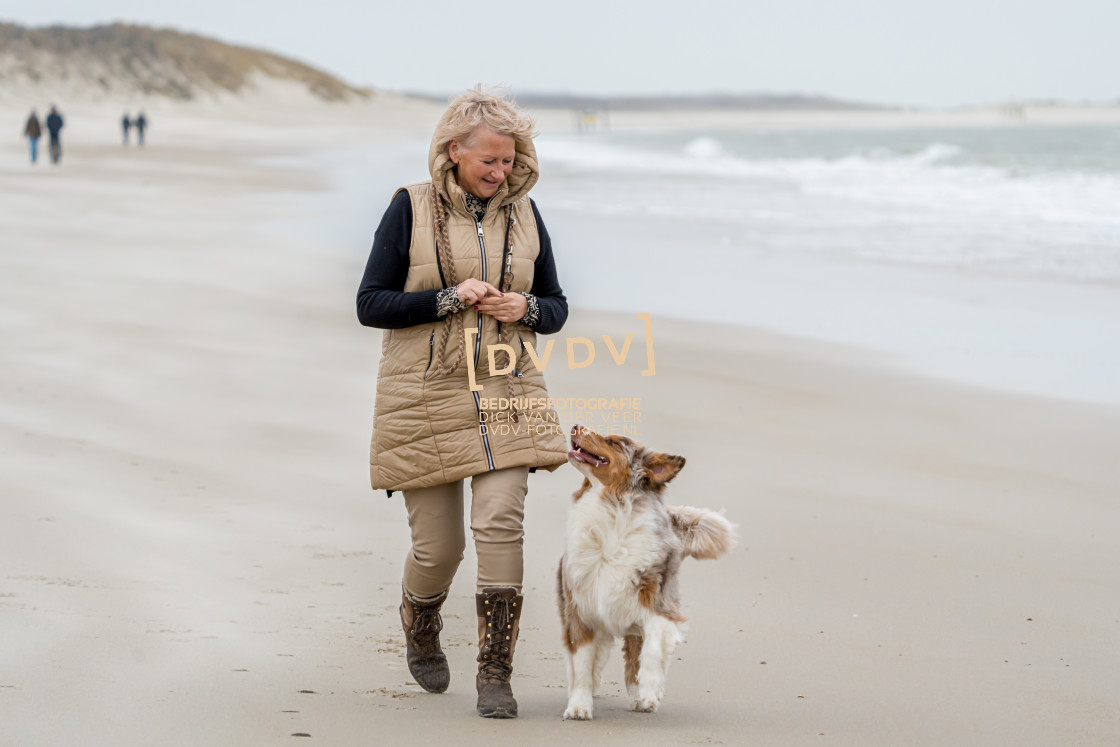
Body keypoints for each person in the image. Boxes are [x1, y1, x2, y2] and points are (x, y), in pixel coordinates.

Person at [356, 87, 569, 719]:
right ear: (454, 152)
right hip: (422, 394)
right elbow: (370, 303)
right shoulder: (410, 209)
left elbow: (556, 306)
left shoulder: (527, 214)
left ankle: (494, 673)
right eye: (489, 162)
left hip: (508, 385)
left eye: (509, 162)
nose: (501, 174)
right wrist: (447, 297)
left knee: (501, 522)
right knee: (439, 549)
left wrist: (524, 308)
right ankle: (419, 620)